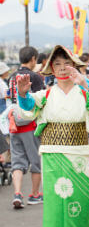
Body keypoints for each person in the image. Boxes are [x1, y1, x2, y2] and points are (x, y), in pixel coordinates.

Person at [17, 45, 89, 227]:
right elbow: (28, 107)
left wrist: (86, 82)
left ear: (75, 67)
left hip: (79, 156)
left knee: (79, 203)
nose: (62, 68)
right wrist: (22, 94)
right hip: (53, 158)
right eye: (58, 64)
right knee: (55, 208)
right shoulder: (45, 95)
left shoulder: (85, 93)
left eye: (67, 63)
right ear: (52, 69)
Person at [8, 46, 45, 208]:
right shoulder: (34, 77)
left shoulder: (12, 76)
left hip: (14, 123)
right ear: (32, 59)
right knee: (35, 161)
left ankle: (17, 193)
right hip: (30, 124)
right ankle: (35, 195)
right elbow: (40, 100)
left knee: (17, 161)